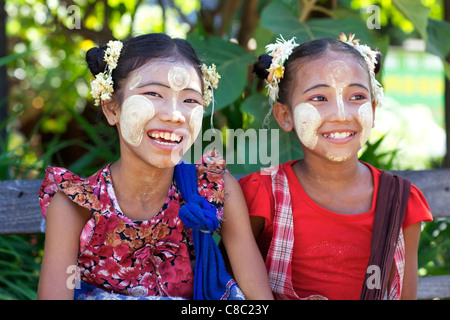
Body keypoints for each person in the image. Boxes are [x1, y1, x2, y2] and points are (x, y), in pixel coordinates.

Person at [37, 33, 273, 300]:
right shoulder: (76, 206)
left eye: (190, 100)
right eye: (153, 93)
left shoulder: (214, 188)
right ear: (112, 109)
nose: (174, 115)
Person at [239, 34, 433, 300]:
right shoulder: (261, 194)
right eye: (319, 98)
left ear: (373, 110)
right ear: (285, 116)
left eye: (356, 96)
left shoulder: (400, 202)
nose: (341, 114)